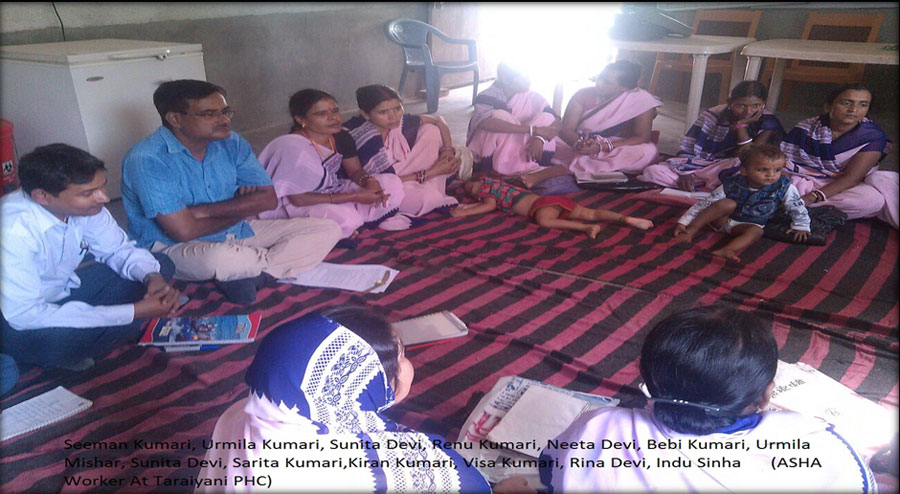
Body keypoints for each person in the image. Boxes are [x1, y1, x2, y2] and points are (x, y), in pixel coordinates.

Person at [539, 306, 877, 493]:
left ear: (648, 380)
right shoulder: (817, 445)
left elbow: (550, 470)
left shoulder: (597, 428)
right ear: (766, 395)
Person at [196, 306, 491, 493]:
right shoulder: (370, 467)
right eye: (401, 355)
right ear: (365, 383)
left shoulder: (245, 411)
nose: (407, 363)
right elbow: (473, 484)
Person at [122, 80, 342, 305]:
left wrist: (201, 211)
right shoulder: (148, 159)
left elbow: (268, 199)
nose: (224, 120)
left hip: (235, 232)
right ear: (175, 119)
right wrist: (241, 207)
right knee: (220, 259)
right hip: (173, 246)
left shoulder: (230, 141)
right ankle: (258, 267)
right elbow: (183, 231)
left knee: (327, 228)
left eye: (225, 112)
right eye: (210, 114)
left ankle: (259, 275)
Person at [1, 144, 180, 371]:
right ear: (43, 196)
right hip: (14, 318)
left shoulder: (87, 208)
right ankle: (89, 341)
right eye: (88, 193)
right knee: (51, 344)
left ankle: (101, 334)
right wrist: (134, 311)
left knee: (159, 265)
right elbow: (25, 315)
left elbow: (117, 250)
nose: (104, 198)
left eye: (102, 186)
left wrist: (153, 279)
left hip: (60, 290)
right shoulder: (12, 229)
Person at [257, 89, 407, 239]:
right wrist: (355, 196)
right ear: (301, 119)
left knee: (391, 183)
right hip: (296, 204)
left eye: (335, 111)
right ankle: (346, 227)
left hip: (333, 189)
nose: (333, 118)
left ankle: (352, 226)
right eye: (321, 114)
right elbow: (299, 199)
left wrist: (370, 183)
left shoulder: (340, 136)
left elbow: (355, 171)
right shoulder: (291, 147)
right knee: (347, 218)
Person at [780, 83, 898, 229]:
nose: (853, 110)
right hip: (803, 179)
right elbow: (785, 163)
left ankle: (794, 209)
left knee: (872, 201)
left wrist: (812, 197)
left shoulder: (872, 137)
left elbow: (851, 179)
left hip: (840, 186)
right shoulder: (807, 128)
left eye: (863, 104)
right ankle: (806, 211)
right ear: (828, 106)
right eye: (846, 103)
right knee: (776, 184)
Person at [344, 84, 465, 217]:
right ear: (365, 114)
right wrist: (433, 172)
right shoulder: (361, 137)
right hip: (383, 185)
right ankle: (436, 181)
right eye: (383, 112)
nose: (393, 116)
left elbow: (439, 120)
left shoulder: (401, 123)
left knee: (431, 130)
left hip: (408, 174)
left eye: (397, 108)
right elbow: (382, 181)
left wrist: (447, 151)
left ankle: (435, 180)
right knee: (428, 199)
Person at [674, 145, 810, 262]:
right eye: (762, 170)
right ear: (744, 170)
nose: (771, 175)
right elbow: (706, 203)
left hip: (745, 226)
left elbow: (796, 206)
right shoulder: (733, 183)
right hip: (721, 220)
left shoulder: (784, 187)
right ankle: (691, 231)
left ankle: (728, 249)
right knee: (727, 203)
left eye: (777, 170)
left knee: (757, 231)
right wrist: (684, 221)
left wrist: (801, 225)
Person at [640, 80, 785, 191]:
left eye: (755, 106)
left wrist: (740, 126)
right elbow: (689, 149)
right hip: (703, 165)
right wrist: (684, 172)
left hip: (731, 167)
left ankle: (705, 189)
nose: (748, 112)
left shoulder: (768, 122)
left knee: (744, 173)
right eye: (741, 105)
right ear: (730, 103)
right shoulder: (714, 115)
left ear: (763, 105)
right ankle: (707, 189)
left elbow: (750, 156)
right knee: (652, 171)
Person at [552, 61, 662, 177]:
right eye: (600, 77)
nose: (599, 83)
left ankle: (580, 165)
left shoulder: (641, 100)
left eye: (606, 82)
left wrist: (601, 147)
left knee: (647, 152)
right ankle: (596, 166)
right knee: (548, 142)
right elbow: (566, 129)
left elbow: (642, 137)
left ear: (623, 87)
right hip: (580, 141)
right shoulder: (582, 95)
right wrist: (579, 145)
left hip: (615, 146)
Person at [451, 176, 653, 238]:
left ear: (482, 180)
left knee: (544, 221)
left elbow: (487, 206)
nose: (473, 192)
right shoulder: (491, 189)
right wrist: (467, 206)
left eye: (471, 186)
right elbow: (483, 203)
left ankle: (585, 228)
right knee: (591, 213)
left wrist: (463, 213)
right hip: (551, 202)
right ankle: (628, 219)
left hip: (542, 205)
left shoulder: (488, 187)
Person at [466, 63, 568, 188]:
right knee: (499, 117)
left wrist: (539, 137)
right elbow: (485, 123)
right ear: (505, 79)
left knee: (546, 117)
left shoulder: (532, 97)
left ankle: (526, 169)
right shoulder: (486, 96)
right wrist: (533, 130)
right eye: (524, 76)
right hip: (496, 151)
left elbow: (556, 121)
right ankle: (513, 170)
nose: (529, 80)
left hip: (527, 149)